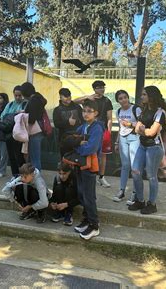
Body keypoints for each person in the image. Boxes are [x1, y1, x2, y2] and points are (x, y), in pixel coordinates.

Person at [129, 86, 166, 215]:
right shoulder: (145, 110)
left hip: (154, 148)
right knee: (135, 171)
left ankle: (152, 204)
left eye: (144, 94)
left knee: (151, 176)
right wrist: (143, 130)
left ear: (152, 96)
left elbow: (152, 133)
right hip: (142, 146)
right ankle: (140, 200)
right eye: (142, 94)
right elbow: (138, 130)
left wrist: (143, 130)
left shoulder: (160, 112)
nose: (142, 97)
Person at [73, 100, 104, 240]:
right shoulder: (84, 126)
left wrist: (78, 147)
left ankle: (94, 225)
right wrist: (77, 143)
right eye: (84, 111)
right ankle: (86, 220)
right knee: (82, 193)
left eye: (89, 111)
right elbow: (72, 139)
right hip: (81, 164)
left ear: (96, 113)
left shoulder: (97, 128)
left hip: (90, 166)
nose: (85, 114)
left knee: (89, 196)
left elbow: (91, 148)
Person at [74, 80, 112, 188]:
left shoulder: (107, 101)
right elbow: (74, 101)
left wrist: (108, 132)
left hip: (101, 129)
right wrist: (87, 97)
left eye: (103, 87)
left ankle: (101, 177)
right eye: (99, 87)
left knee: (102, 154)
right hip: (89, 127)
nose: (101, 89)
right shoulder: (89, 99)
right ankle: (91, 174)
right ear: (94, 89)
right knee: (90, 151)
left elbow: (109, 118)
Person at [113, 90, 141, 202]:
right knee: (125, 165)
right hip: (123, 139)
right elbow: (120, 128)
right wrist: (116, 142)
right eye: (120, 98)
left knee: (135, 167)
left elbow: (141, 125)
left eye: (125, 97)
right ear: (118, 101)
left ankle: (135, 192)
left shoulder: (136, 109)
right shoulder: (118, 111)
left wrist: (130, 124)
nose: (124, 100)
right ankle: (121, 190)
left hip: (135, 138)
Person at [1, 85, 28, 178]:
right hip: (9, 133)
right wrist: (16, 114)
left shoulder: (26, 104)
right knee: (11, 155)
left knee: (20, 156)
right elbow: (3, 116)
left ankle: (22, 174)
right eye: (16, 95)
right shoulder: (10, 104)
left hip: (20, 134)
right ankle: (15, 174)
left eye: (19, 95)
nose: (17, 97)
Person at [22, 82, 47, 171]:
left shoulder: (33, 101)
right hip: (40, 130)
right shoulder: (39, 99)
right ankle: (36, 177)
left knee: (34, 158)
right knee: (36, 156)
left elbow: (31, 119)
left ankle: (36, 178)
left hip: (34, 131)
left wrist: (23, 114)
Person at [53, 88, 83, 157]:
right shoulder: (57, 110)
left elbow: (83, 120)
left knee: (78, 159)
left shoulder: (77, 107)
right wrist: (68, 122)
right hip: (64, 139)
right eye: (66, 96)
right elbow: (56, 124)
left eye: (69, 95)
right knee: (65, 159)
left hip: (78, 138)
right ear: (60, 97)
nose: (68, 98)